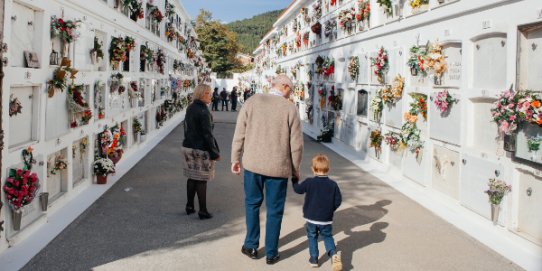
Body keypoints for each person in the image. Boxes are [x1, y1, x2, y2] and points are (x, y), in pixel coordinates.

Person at [231, 74, 303, 265]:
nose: (291, 93)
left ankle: (251, 245)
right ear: (285, 87)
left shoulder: (252, 101)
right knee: (275, 210)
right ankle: (271, 253)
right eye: (291, 89)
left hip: (253, 165)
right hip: (278, 168)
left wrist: (235, 158)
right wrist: (296, 169)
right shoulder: (289, 108)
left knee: (252, 205)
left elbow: (240, 132)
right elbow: (296, 144)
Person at [292, 154, 342, 270]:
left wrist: (294, 180)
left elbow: (298, 189)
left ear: (313, 169)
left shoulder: (310, 182)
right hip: (326, 219)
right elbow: (338, 201)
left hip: (311, 218)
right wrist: (331, 209)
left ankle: (314, 258)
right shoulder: (333, 185)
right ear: (328, 169)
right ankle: (333, 254)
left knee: (312, 236)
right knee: (327, 236)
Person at [182, 84, 220, 220]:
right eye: (209, 93)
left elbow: (187, 128)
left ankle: (189, 206)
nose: (211, 96)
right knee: (202, 179)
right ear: (202, 94)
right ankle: (203, 211)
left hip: (188, 146)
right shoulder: (203, 111)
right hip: (201, 149)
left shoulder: (190, 107)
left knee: (192, 177)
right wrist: (215, 152)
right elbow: (207, 134)